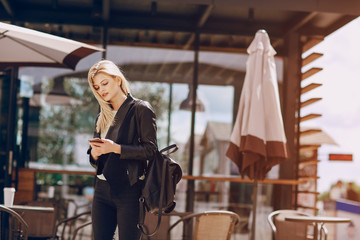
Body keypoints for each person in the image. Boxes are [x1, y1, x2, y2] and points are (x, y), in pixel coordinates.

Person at [87, 60, 157, 240]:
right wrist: (94, 154)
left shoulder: (141, 109)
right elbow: (95, 160)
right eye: (97, 87)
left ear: (118, 80)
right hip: (102, 189)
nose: (101, 90)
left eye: (105, 83)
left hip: (130, 190)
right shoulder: (101, 116)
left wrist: (115, 148)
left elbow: (151, 150)